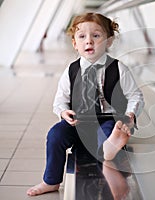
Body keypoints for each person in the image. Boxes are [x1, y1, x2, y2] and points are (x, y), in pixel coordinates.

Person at [27, 12, 144, 196]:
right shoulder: (72, 70)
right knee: (55, 135)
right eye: (82, 37)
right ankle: (51, 181)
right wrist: (64, 112)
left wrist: (130, 114)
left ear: (109, 41)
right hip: (79, 121)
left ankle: (109, 147)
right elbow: (60, 100)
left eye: (96, 36)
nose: (89, 41)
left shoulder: (118, 68)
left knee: (106, 132)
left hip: (109, 118)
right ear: (74, 43)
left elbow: (135, 96)